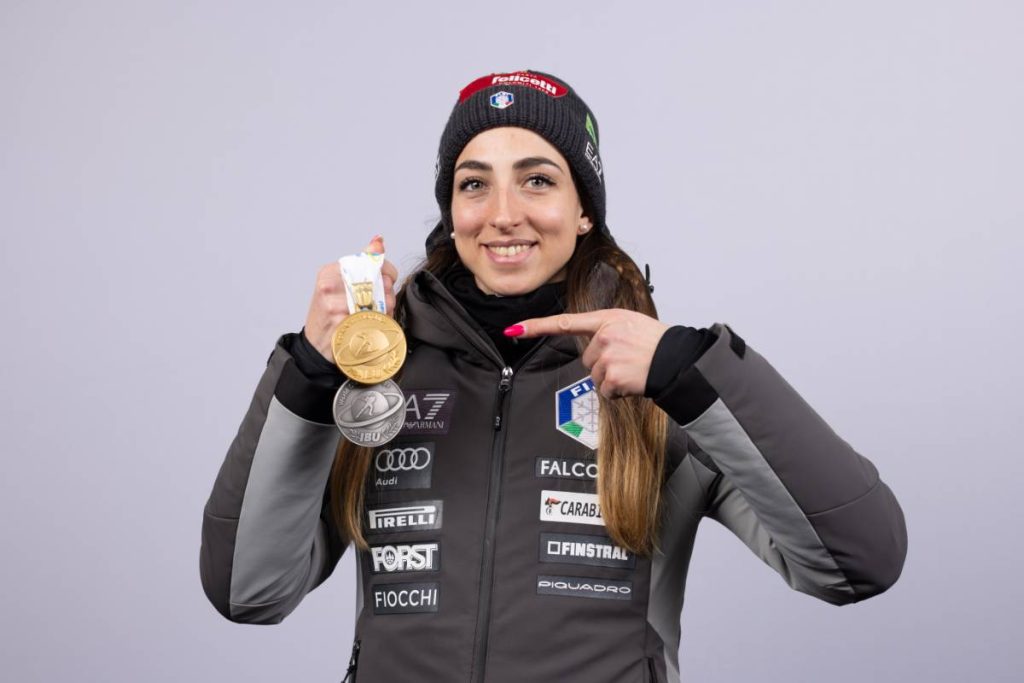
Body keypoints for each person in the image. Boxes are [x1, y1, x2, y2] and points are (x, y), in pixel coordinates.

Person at [200, 70, 908, 683]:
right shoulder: (376, 380)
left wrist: (696, 370)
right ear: (452, 211)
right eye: (474, 185)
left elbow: (859, 562)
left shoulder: (666, 388)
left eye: (537, 180)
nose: (503, 215)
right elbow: (248, 591)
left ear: (584, 210)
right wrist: (308, 373)